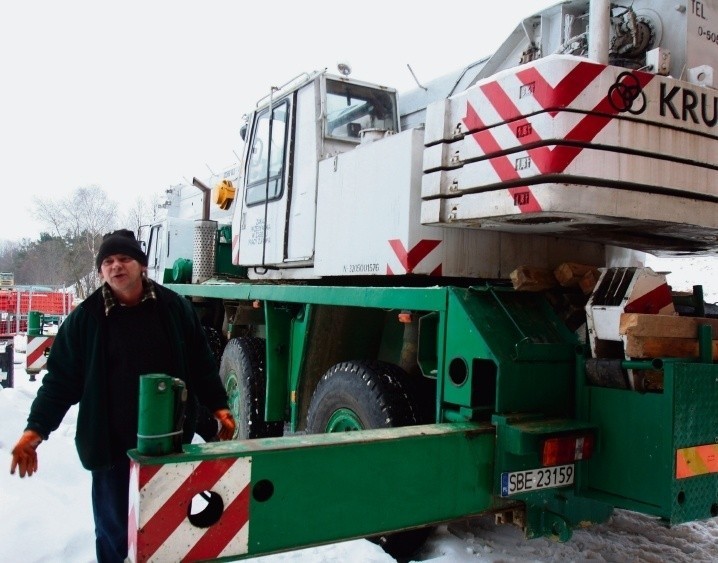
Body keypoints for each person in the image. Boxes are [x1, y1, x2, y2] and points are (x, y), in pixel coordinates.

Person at [9, 229, 236, 563]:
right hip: (110, 446)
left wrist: (219, 407)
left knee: (169, 531)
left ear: (141, 265)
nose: (116, 267)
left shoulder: (174, 310)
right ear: (101, 270)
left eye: (124, 259)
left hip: (166, 445)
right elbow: (60, 383)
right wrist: (35, 430)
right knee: (114, 534)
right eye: (108, 261)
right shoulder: (85, 320)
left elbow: (201, 364)